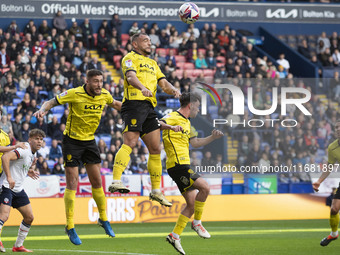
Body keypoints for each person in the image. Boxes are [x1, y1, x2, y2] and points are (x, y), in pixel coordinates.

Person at [33, 69, 121, 245]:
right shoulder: (74, 93)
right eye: (95, 81)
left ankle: (103, 219)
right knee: (72, 183)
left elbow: (117, 104)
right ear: (87, 81)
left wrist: (137, 109)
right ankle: (70, 226)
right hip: (71, 141)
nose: (99, 84)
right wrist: (42, 110)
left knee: (97, 182)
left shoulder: (104, 94)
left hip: (89, 141)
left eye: (101, 81)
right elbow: (52, 101)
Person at [108, 32, 181, 207]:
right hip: (134, 103)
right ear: (135, 44)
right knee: (131, 142)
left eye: (150, 41)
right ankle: (116, 180)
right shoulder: (129, 58)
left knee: (156, 148)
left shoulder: (153, 63)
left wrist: (174, 91)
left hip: (149, 107)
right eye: (145, 41)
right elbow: (131, 77)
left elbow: (163, 84)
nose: (150, 43)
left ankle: (156, 191)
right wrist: (142, 88)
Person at [161, 92, 223, 254]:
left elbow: (195, 143)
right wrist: (171, 127)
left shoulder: (188, 124)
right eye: (197, 106)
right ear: (190, 105)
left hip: (182, 165)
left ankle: (175, 235)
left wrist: (212, 138)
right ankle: (197, 223)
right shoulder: (173, 116)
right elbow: (158, 123)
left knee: (191, 205)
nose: (198, 109)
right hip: (177, 165)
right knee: (205, 187)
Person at [0, 129, 44, 252]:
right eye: (36, 139)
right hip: (6, 186)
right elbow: (5, 157)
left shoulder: (33, 153)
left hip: (18, 189)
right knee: (4, 216)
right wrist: (9, 177)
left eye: (41, 139)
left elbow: (19, 166)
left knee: (29, 217)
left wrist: (28, 171)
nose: (39, 141)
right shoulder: (24, 149)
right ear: (30, 140)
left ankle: (18, 246)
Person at [313, 119, 340, 246]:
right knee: (334, 209)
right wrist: (319, 181)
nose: (339, 129)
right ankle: (334, 234)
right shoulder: (332, 147)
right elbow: (329, 167)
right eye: (336, 127)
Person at [0, 109, 27, 175]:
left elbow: (7, 154)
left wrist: (26, 169)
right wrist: (15, 146)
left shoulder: (5, 135)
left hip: (2, 171)